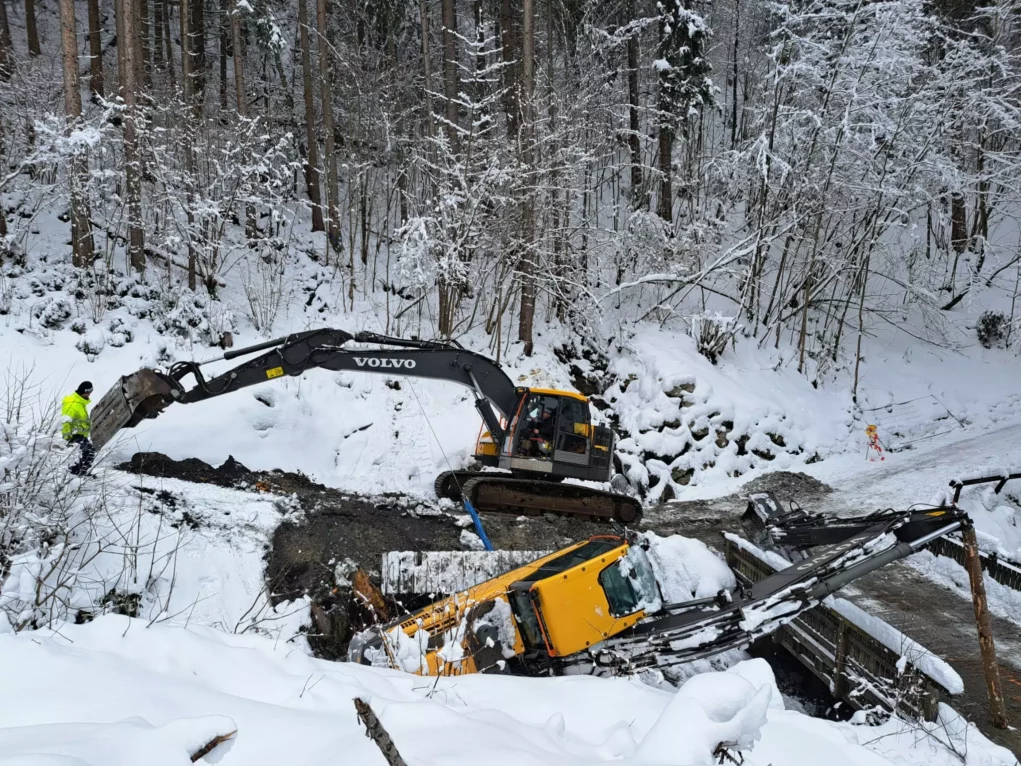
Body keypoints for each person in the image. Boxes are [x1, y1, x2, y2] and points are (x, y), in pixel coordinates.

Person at [62, 381, 95, 476]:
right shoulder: (72, 403)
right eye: (88, 392)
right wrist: (68, 438)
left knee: (87, 453)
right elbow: (65, 421)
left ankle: (79, 471)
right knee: (88, 452)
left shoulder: (80, 402)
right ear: (82, 391)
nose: (89, 395)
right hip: (74, 435)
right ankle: (76, 472)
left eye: (90, 393)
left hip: (81, 434)